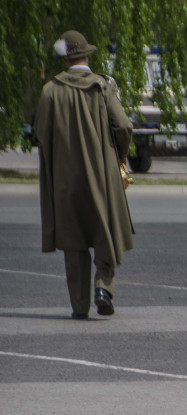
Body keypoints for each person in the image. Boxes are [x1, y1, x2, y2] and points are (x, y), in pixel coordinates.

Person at [33, 30, 134, 319]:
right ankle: (103, 288)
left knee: (73, 239)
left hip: (66, 178)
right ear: (87, 55)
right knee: (106, 230)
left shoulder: (50, 91)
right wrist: (120, 155)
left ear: (65, 59)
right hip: (102, 174)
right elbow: (124, 126)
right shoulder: (103, 87)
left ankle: (79, 306)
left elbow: (41, 133)